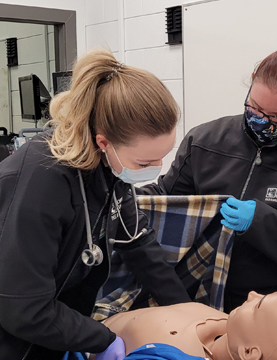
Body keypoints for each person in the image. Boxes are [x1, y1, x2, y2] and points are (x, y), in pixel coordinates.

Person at [0, 49, 190, 360]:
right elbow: (22, 307)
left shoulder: (111, 169)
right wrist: (101, 340)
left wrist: (185, 310)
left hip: (52, 330)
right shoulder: (42, 180)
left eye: (162, 157)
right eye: (145, 161)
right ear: (104, 142)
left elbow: (139, 246)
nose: (155, 168)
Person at [138, 42, 277, 312]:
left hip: (274, 310)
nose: (263, 122)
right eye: (256, 108)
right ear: (251, 84)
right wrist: (120, 196)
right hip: (200, 298)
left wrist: (262, 222)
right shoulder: (203, 141)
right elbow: (166, 199)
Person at [97, 290, 277, 360]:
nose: (251, 294)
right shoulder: (234, 332)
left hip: (90, 337)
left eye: (258, 306)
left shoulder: (170, 356)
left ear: (249, 352)